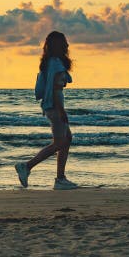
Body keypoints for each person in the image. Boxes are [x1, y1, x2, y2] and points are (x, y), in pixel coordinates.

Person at [15, 31, 78, 190]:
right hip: (55, 106)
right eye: (64, 42)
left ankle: (60, 179)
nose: (67, 45)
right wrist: (61, 111)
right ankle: (27, 166)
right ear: (59, 45)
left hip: (50, 106)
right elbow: (56, 89)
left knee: (67, 138)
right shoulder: (56, 64)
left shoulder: (49, 62)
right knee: (60, 142)